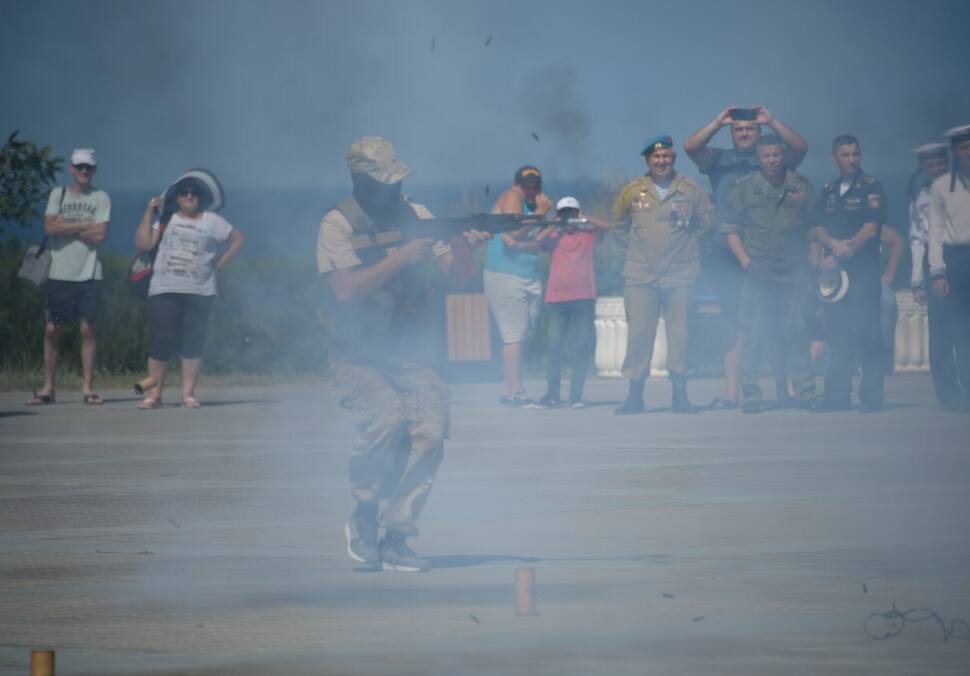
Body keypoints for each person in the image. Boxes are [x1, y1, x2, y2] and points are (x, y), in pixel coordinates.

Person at [317, 136, 488, 572]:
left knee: (430, 432)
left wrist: (467, 244)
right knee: (387, 422)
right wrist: (403, 257)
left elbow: (460, 280)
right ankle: (364, 513)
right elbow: (347, 290)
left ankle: (397, 535)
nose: (392, 189)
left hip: (411, 350)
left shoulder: (419, 215)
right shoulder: (337, 224)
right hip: (356, 353)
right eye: (383, 181)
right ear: (360, 178)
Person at [684, 106, 808, 409]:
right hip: (729, 251)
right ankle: (732, 392)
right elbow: (691, 147)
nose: (744, 134)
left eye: (749, 129)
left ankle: (786, 388)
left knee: (778, 320)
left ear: (758, 132)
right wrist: (717, 121)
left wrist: (773, 121)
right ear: (731, 132)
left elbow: (800, 147)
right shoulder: (720, 160)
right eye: (738, 129)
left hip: (771, 252)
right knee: (735, 323)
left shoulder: (771, 157)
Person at [611, 135, 714, 414]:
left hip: (680, 274)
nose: (661, 162)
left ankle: (680, 396)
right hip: (641, 276)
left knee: (680, 335)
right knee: (639, 336)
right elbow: (618, 226)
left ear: (674, 159)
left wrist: (687, 250)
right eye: (656, 158)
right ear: (647, 160)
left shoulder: (690, 189)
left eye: (666, 156)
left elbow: (706, 224)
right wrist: (637, 253)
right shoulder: (633, 191)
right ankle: (635, 397)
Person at [720, 134, 817, 414]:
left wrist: (813, 252)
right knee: (754, 332)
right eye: (766, 156)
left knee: (797, 331)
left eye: (776, 155)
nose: (772, 161)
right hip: (758, 270)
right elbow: (730, 230)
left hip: (793, 269)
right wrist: (746, 262)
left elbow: (813, 226)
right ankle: (751, 395)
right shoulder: (744, 188)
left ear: (783, 155)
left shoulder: (800, 186)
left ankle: (807, 392)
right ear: (758, 159)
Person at [133, 171, 244, 409]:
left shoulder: (213, 221)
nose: (189, 196)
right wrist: (148, 211)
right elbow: (143, 244)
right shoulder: (164, 220)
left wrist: (219, 263)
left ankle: (188, 394)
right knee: (162, 341)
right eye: (184, 192)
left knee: (193, 342)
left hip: (201, 289)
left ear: (201, 197)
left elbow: (237, 239)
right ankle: (153, 394)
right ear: (177, 196)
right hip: (164, 288)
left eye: (194, 193)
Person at [27, 149, 110, 407]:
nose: (84, 171)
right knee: (53, 328)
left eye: (88, 168)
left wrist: (67, 226)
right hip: (59, 272)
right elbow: (50, 227)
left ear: (94, 170)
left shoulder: (101, 197)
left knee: (88, 329)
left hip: (90, 272)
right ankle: (48, 387)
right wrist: (85, 225)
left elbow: (101, 235)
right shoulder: (57, 194)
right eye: (80, 167)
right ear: (71, 168)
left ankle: (87, 388)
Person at [812, 135, 887, 413]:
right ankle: (836, 397)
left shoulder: (871, 186)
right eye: (845, 155)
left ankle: (872, 398)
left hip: (863, 271)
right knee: (837, 334)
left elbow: (872, 227)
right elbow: (818, 227)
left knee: (868, 334)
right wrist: (832, 248)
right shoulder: (829, 190)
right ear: (834, 158)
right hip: (835, 274)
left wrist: (847, 249)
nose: (852, 159)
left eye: (855, 154)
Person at [483, 166, 554, 406]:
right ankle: (514, 391)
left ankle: (511, 386)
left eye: (536, 185)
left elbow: (533, 242)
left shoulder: (536, 207)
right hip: (504, 274)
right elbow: (515, 230)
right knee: (513, 334)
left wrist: (543, 233)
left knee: (524, 333)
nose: (532, 190)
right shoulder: (512, 197)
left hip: (529, 275)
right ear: (516, 185)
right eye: (527, 186)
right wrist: (540, 213)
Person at [531, 197, 610, 409]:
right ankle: (553, 394)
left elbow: (607, 227)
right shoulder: (554, 236)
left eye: (571, 212)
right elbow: (538, 241)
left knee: (580, 346)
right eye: (564, 213)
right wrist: (555, 223)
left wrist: (583, 218)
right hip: (557, 298)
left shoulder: (588, 234)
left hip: (584, 296)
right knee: (554, 346)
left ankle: (576, 395)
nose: (569, 217)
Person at [909, 142, 966, 409]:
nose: (936, 169)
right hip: (936, 268)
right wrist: (918, 279)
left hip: (958, 261)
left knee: (964, 332)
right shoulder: (920, 197)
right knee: (942, 335)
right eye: (930, 166)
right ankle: (949, 395)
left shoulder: (958, 187)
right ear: (923, 167)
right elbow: (918, 240)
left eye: (940, 164)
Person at [927, 124, 970, 412]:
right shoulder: (942, 186)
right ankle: (952, 393)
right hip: (956, 259)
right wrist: (937, 271)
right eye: (965, 147)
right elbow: (935, 232)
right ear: (955, 151)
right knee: (955, 331)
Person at [879, 225, 904, 374]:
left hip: (875, 281)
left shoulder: (876, 227)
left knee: (887, 300)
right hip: (845, 280)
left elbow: (899, 242)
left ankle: (884, 366)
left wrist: (889, 274)